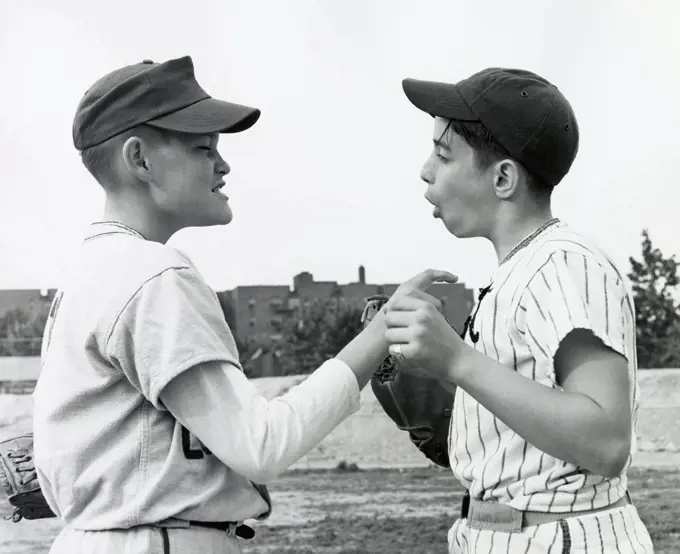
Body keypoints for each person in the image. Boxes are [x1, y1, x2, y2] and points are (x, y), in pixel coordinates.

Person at [32, 55, 456, 554]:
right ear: (139, 159)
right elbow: (262, 445)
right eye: (200, 146)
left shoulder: (89, 273)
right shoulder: (154, 273)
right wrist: (381, 332)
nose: (223, 163)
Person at [383, 68, 655, 553]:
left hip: (561, 535)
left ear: (503, 177)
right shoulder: (524, 266)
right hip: (516, 531)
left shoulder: (563, 263)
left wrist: (457, 362)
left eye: (443, 155)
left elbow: (607, 441)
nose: (426, 170)